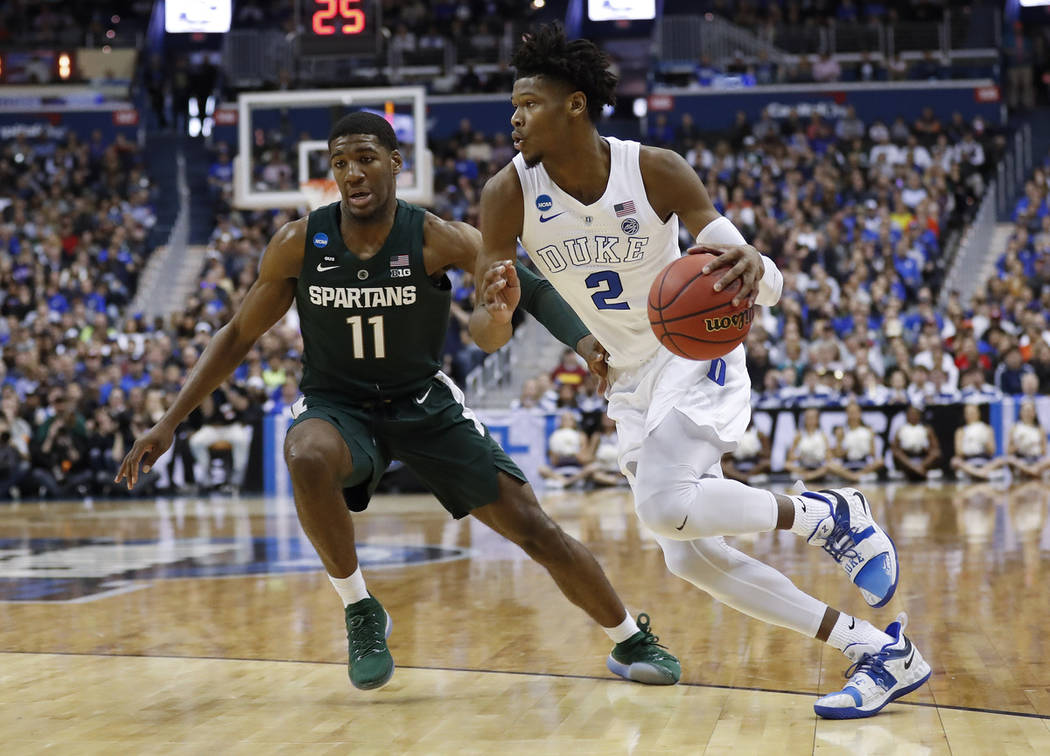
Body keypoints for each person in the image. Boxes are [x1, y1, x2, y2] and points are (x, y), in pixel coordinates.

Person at [116, 112, 680, 691]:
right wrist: (169, 422)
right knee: (305, 453)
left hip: (423, 402)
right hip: (338, 406)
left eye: (364, 158)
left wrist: (584, 342)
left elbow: (528, 285)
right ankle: (359, 607)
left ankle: (627, 638)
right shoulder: (298, 243)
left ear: (394, 164)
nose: (352, 173)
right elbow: (237, 335)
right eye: (339, 163)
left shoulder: (437, 236)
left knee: (533, 527)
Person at [471, 24, 929, 719]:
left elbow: (763, 285)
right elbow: (486, 334)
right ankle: (877, 652)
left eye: (528, 104)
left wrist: (758, 265)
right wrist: (498, 314)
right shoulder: (506, 195)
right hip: (627, 380)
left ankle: (829, 514)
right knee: (687, 557)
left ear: (575, 106)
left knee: (664, 505)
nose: (515, 118)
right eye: (513, 106)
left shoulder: (652, 168)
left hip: (692, 351)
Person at [827, 401, 885, 483]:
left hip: (863, 464)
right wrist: (845, 452)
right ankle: (855, 477)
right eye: (850, 412)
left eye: (855, 412)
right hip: (846, 465)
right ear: (846, 414)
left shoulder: (868, 430)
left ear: (860, 413)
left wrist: (862, 449)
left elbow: (873, 453)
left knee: (880, 461)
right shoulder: (841, 431)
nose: (852, 415)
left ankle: (855, 476)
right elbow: (837, 454)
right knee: (830, 466)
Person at [890, 405, 942, 481]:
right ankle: (915, 469)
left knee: (936, 453)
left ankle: (918, 468)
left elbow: (935, 447)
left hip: (922, 457)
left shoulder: (927, 429)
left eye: (915, 414)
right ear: (907, 416)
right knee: (897, 453)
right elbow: (895, 448)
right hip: (907, 459)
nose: (913, 416)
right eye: (910, 414)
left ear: (919, 416)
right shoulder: (901, 429)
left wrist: (925, 449)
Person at [950, 403, 1000, 481]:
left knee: (1002, 460)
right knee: (954, 461)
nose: (970, 415)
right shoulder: (960, 431)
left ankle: (976, 474)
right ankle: (981, 474)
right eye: (968, 413)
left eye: (973, 413)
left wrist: (983, 441)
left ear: (978, 413)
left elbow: (992, 451)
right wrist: (972, 445)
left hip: (985, 461)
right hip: (968, 462)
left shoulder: (987, 428)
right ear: (964, 415)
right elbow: (958, 452)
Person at [785, 408, 832, 483]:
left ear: (817, 419)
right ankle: (808, 476)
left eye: (812, 418)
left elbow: (829, 457)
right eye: (807, 418)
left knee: (830, 467)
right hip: (804, 467)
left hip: (818, 467)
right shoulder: (799, 435)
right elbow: (791, 456)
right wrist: (800, 456)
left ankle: (809, 476)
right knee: (787, 465)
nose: (810, 421)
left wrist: (821, 455)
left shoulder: (822, 435)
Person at [1005, 400, 1050, 479]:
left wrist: (1033, 445)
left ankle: (1029, 471)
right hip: (1020, 459)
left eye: (1030, 410)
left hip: (1036, 459)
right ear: (1021, 412)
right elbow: (1008, 452)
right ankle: (1032, 471)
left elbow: (1044, 452)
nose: (1028, 413)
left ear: (1034, 413)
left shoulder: (1040, 429)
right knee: (1009, 460)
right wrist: (1020, 445)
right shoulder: (1014, 428)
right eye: (1025, 410)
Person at [720, 418, 771, 484]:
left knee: (766, 463)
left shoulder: (759, 434)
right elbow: (723, 457)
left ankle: (740, 479)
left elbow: (767, 455)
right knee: (723, 465)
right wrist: (735, 453)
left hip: (754, 464)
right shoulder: (732, 434)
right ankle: (747, 479)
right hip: (736, 463)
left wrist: (755, 452)